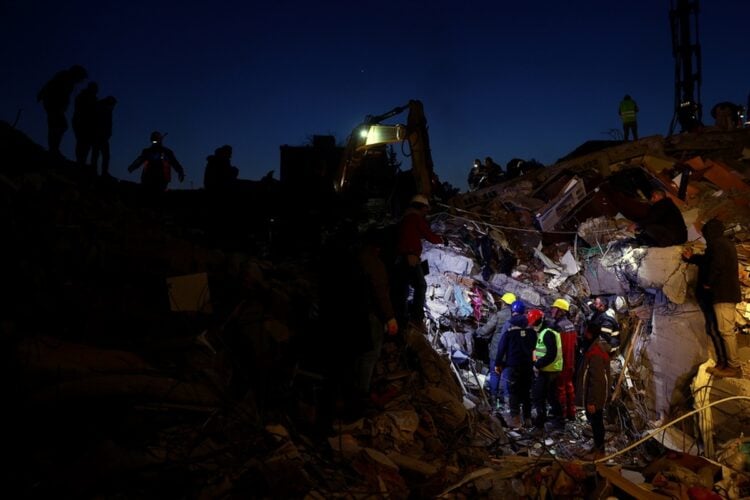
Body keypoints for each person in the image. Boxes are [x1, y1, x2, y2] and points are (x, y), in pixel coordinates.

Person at [682, 219, 743, 378]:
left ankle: (734, 367)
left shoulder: (719, 244)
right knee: (721, 329)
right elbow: (707, 260)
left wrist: (708, 283)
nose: (704, 235)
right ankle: (724, 364)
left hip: (724, 295)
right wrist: (692, 258)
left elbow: (716, 265)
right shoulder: (721, 245)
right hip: (723, 295)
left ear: (711, 232)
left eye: (705, 232)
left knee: (726, 331)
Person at [354, 228, 399, 400]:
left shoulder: (355, 259)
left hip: (351, 312)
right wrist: (390, 317)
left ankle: (352, 389)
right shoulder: (374, 263)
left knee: (356, 353)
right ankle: (360, 394)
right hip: (369, 314)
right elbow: (381, 293)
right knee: (369, 354)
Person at [393, 194, 444, 326]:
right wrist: (443, 240)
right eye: (426, 208)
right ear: (421, 207)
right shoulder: (415, 218)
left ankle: (402, 319)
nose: (427, 211)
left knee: (403, 289)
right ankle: (416, 318)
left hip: (402, 257)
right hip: (410, 257)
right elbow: (429, 235)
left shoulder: (405, 218)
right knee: (420, 286)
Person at [494, 300, 536, 429]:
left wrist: (498, 363)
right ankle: (528, 419)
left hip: (513, 364)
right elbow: (534, 345)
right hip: (528, 365)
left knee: (514, 392)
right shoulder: (531, 326)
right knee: (526, 392)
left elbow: (501, 346)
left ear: (513, 311)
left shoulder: (509, 324)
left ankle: (516, 419)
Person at [474, 291, 516, 411]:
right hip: (510, 353)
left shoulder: (499, 315)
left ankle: (493, 400)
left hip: (497, 351)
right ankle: (506, 403)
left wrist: (477, 332)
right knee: (506, 376)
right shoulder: (516, 316)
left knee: (495, 374)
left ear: (504, 303)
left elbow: (486, 330)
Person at [37, 64, 88, 156]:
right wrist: (43, 95)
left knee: (58, 126)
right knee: (59, 125)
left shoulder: (68, 80)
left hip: (56, 106)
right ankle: (53, 149)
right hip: (53, 104)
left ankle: (54, 149)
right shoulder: (64, 77)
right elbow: (52, 86)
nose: (80, 81)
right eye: (81, 78)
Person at [577, 323, 611, 460]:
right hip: (595, 397)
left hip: (595, 398)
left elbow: (597, 381)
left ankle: (600, 452)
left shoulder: (595, 353)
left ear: (590, 334)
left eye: (585, 332)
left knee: (597, 423)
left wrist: (592, 401)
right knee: (595, 422)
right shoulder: (594, 348)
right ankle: (597, 446)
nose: (583, 335)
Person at [529, 309, 563, 430]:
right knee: (551, 396)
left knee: (539, 396)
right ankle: (557, 421)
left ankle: (540, 425)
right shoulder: (547, 330)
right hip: (550, 369)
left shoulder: (547, 333)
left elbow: (551, 354)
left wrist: (537, 365)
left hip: (548, 370)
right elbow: (540, 350)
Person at [550, 298, 578, 421]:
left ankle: (561, 415)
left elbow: (555, 346)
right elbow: (576, 344)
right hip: (571, 362)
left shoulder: (558, 326)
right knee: (569, 387)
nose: (552, 310)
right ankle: (571, 413)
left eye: (554, 308)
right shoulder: (571, 325)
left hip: (561, 362)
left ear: (560, 311)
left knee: (560, 389)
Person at [72, 81, 98, 165]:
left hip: (88, 125)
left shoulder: (93, 99)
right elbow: (79, 109)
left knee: (86, 144)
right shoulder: (83, 96)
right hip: (82, 123)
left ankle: (81, 161)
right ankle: (80, 161)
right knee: (82, 142)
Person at [90, 96, 117, 177]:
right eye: (113, 104)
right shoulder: (102, 109)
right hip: (98, 136)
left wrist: (108, 134)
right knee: (98, 154)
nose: (113, 106)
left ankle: (102, 172)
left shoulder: (108, 111)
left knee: (103, 155)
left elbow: (108, 124)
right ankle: (95, 171)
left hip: (103, 136)